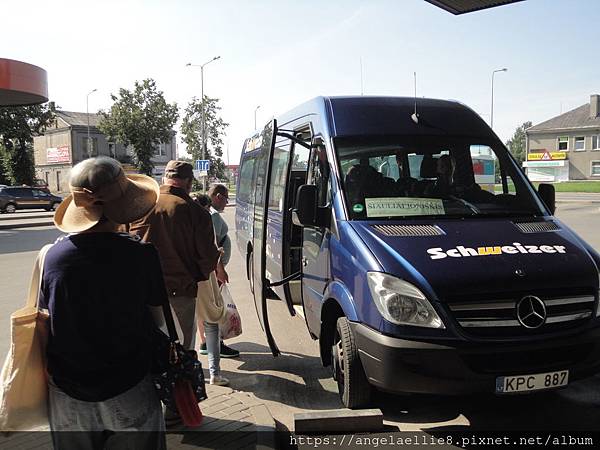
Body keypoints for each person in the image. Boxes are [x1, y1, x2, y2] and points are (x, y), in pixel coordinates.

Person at [42, 156, 166, 449]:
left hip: (67, 390)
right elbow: (158, 320)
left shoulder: (51, 257)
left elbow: (49, 317)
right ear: (121, 207)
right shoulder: (141, 255)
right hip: (129, 384)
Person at [129, 161, 228, 390]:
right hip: (180, 293)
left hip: (142, 293)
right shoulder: (194, 211)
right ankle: (177, 409)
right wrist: (196, 275)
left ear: (164, 178)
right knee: (180, 352)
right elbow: (207, 260)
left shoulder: (140, 205)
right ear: (189, 182)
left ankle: (154, 403)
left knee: (147, 349)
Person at [198, 184, 240, 359]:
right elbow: (212, 245)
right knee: (214, 307)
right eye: (225, 198)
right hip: (214, 269)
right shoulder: (212, 215)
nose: (226, 202)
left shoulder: (208, 214)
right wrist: (220, 269)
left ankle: (205, 343)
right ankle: (216, 344)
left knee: (204, 307)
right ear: (216, 196)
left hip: (208, 267)